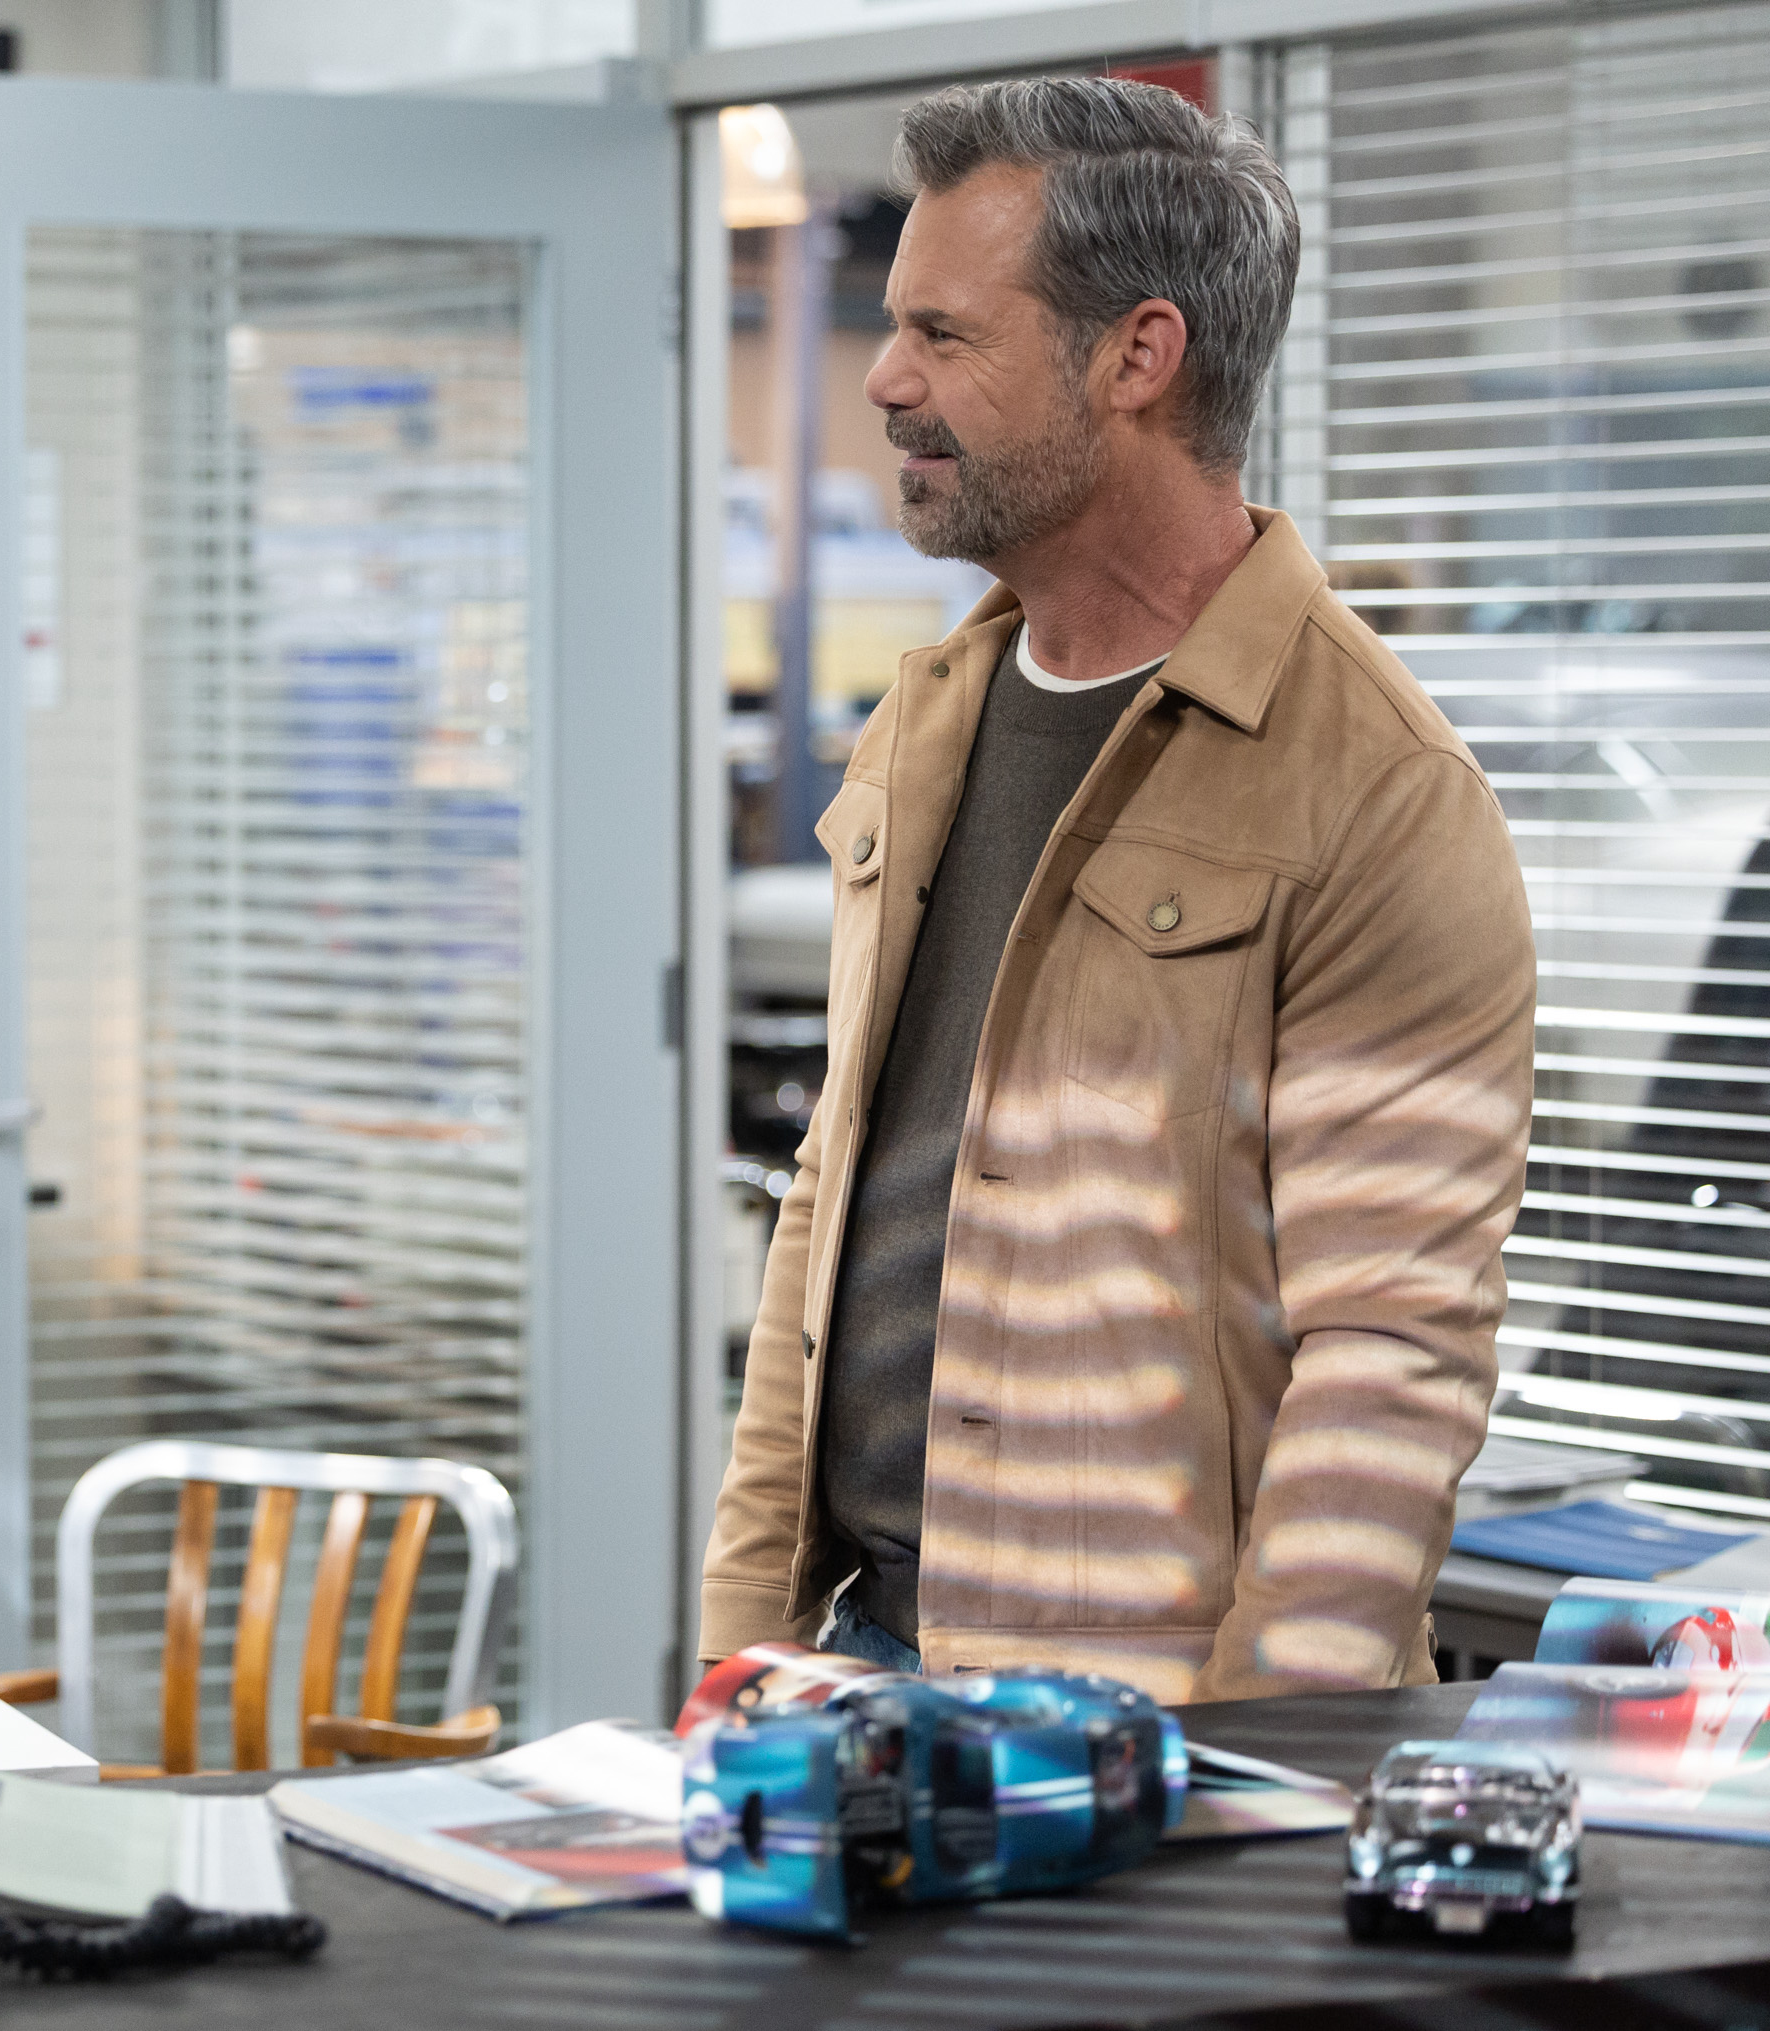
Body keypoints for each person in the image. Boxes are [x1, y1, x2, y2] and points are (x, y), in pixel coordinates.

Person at [699, 77, 1534, 1704]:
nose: (883, 379)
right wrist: (741, 1641)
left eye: (945, 334)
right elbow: (831, 1199)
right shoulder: (927, 721)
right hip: (861, 1664)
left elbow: (1392, 1353)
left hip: (1150, 1713)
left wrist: (1257, 1764)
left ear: (1138, 356)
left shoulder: (1374, 789)